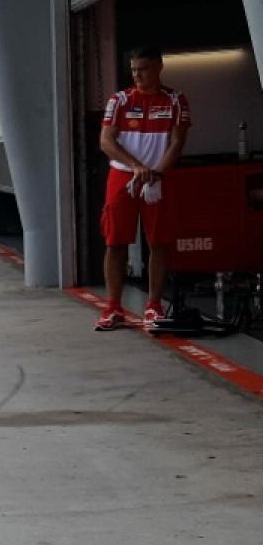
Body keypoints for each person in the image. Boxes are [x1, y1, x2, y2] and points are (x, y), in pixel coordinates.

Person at [95, 46, 191, 331]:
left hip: (158, 179)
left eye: (144, 69)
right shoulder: (120, 100)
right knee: (115, 242)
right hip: (122, 178)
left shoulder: (176, 100)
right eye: (134, 69)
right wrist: (136, 167)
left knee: (158, 242)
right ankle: (113, 308)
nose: (137, 75)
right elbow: (106, 141)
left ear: (159, 67)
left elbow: (177, 143)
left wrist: (157, 173)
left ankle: (153, 306)